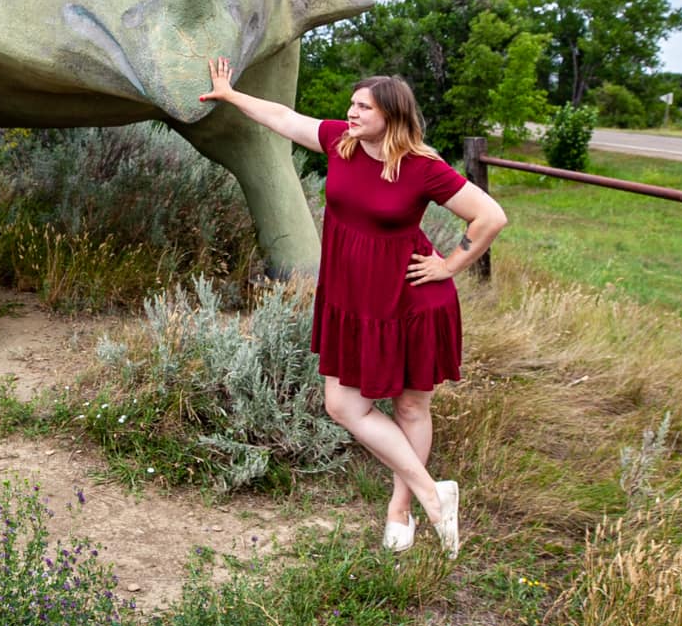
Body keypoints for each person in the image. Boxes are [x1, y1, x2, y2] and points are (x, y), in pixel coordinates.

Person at [199, 61, 508, 557]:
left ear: (391, 115)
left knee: (410, 405)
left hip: (410, 300)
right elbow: (283, 117)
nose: (352, 112)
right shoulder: (340, 142)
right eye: (352, 104)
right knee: (342, 405)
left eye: (364, 107)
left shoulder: (422, 167)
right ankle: (435, 493)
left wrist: (450, 266)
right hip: (351, 298)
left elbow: (491, 216)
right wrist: (231, 95)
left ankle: (401, 509)